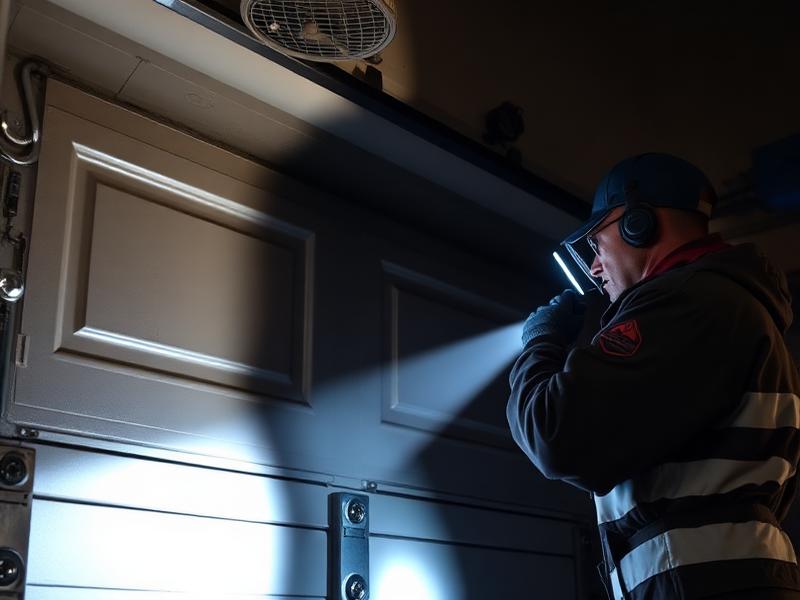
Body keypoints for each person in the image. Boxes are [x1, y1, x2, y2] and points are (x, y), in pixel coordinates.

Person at [507, 153, 800, 599]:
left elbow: (554, 431)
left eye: (596, 246)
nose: (594, 268)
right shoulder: (730, 306)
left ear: (636, 224)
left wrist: (541, 342)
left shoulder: (686, 302)